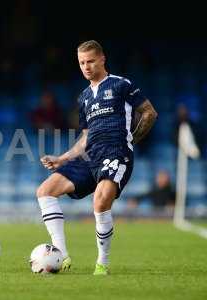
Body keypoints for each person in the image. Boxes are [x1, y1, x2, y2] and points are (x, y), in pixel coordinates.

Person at [36, 40, 157, 275]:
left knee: (100, 201)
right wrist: (63, 158)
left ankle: (102, 262)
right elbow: (85, 138)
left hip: (116, 152)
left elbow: (150, 113)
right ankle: (61, 255)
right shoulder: (83, 98)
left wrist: (130, 140)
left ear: (102, 59)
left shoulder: (122, 85)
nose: (86, 67)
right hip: (91, 156)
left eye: (90, 61)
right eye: (82, 63)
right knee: (45, 191)